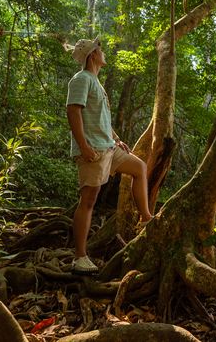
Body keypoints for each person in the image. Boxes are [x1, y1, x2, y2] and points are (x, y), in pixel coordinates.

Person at [66, 35, 152, 274]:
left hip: (108, 146)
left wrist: (117, 139)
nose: (104, 52)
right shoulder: (82, 78)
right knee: (89, 200)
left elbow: (101, 118)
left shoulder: (95, 81)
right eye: (100, 48)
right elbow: (73, 111)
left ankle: (146, 219)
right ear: (93, 54)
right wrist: (83, 146)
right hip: (92, 149)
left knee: (139, 168)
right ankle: (79, 258)